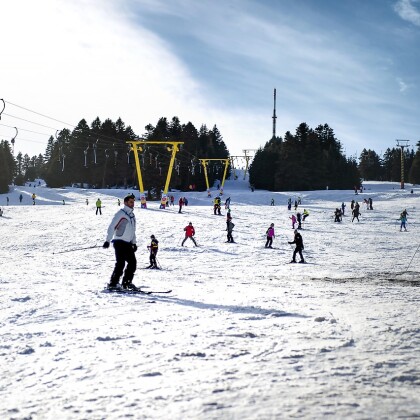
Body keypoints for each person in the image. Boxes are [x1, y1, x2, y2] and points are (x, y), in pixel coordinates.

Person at [103, 193, 138, 290]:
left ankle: (126, 283)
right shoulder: (121, 214)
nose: (132, 204)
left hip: (128, 243)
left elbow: (132, 231)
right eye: (130, 202)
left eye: (133, 202)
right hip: (119, 242)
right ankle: (113, 283)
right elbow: (112, 226)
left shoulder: (132, 216)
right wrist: (107, 240)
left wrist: (134, 243)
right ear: (125, 202)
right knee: (121, 263)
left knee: (132, 263)